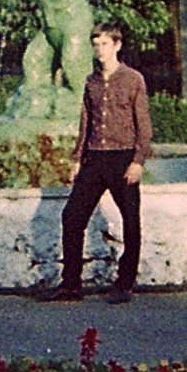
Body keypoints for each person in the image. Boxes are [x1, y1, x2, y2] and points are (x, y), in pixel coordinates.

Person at [38, 23, 152, 305]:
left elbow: (144, 125)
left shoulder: (133, 79)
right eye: (96, 44)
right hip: (94, 157)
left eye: (104, 44)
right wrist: (78, 158)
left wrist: (138, 161)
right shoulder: (92, 81)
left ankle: (124, 283)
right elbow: (85, 122)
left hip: (123, 156)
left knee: (130, 221)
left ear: (117, 45)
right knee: (72, 217)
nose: (99, 50)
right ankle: (71, 285)